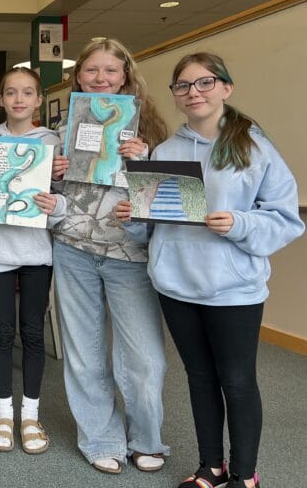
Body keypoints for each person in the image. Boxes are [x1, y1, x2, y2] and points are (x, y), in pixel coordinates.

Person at [116, 53, 303, 488]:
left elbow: (285, 218)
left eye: (204, 83)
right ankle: (210, 468)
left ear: (225, 87)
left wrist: (240, 223)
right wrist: (135, 216)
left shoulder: (254, 147)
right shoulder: (166, 151)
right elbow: (154, 229)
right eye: (183, 86)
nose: (193, 92)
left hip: (232, 289)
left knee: (236, 382)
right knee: (199, 378)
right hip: (176, 284)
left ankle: (244, 475)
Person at [50, 38, 169, 474]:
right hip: (72, 249)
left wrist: (146, 160)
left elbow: (169, 198)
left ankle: (146, 439)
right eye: (91, 71)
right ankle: (101, 438)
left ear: (126, 76)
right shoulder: (62, 127)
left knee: (144, 356)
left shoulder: (150, 130)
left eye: (110, 71)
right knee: (85, 352)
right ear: (78, 76)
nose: (100, 79)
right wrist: (51, 172)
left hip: (129, 253)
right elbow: (37, 194)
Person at [0, 67, 65, 455]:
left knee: (31, 333)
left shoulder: (53, 142)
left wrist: (55, 198)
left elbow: (64, 197)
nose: (18, 99)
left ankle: (30, 415)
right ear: (0, 99)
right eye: (10, 92)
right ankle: (3, 414)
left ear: (38, 100)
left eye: (27, 92)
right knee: (0, 332)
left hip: (36, 252)